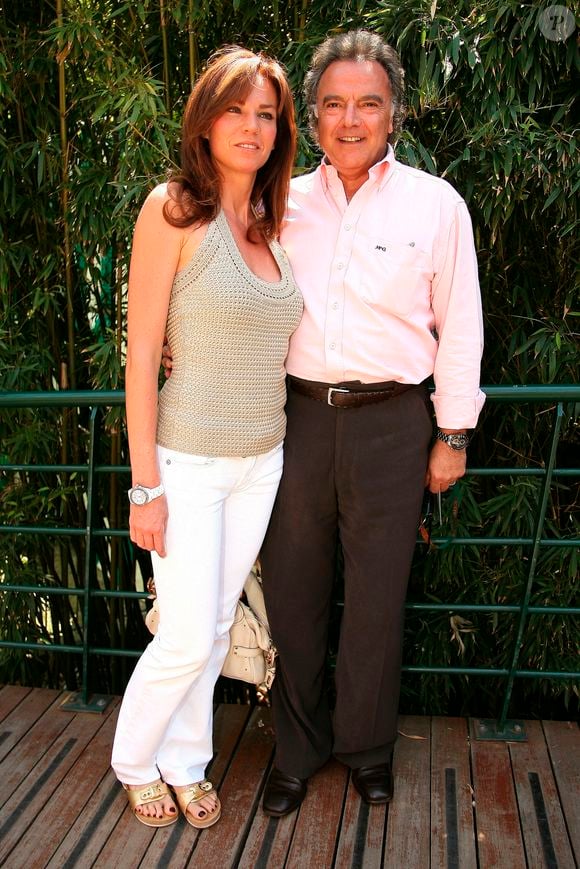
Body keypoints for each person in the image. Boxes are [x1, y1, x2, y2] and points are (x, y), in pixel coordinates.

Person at [162, 29, 484, 817]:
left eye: (367, 103)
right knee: (298, 596)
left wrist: (452, 434)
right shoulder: (277, 201)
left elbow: (463, 326)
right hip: (294, 422)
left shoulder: (436, 204)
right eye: (333, 103)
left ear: (393, 114)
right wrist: (182, 346)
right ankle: (297, 751)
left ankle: (369, 748)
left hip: (393, 424)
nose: (350, 118)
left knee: (378, 597)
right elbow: (227, 290)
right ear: (311, 115)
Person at [111, 46, 302, 829]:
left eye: (266, 114)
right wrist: (144, 485)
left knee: (218, 624)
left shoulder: (272, 220)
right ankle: (133, 758)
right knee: (188, 630)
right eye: (237, 109)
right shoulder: (172, 209)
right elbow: (140, 355)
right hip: (186, 462)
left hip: (263, 458)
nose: (252, 126)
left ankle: (187, 760)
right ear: (206, 117)